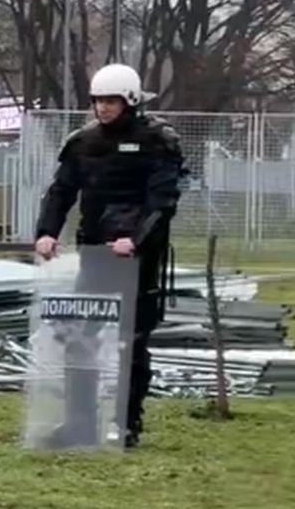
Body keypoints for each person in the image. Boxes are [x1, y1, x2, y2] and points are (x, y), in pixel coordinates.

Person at [34, 63, 184, 448]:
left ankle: (126, 424)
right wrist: (47, 232)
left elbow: (162, 200)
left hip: (139, 260)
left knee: (131, 342)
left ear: (130, 100)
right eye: (98, 101)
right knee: (80, 336)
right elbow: (61, 191)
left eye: (111, 101)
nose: (103, 108)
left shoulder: (157, 141)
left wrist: (135, 239)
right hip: (96, 254)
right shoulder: (83, 143)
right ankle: (78, 424)